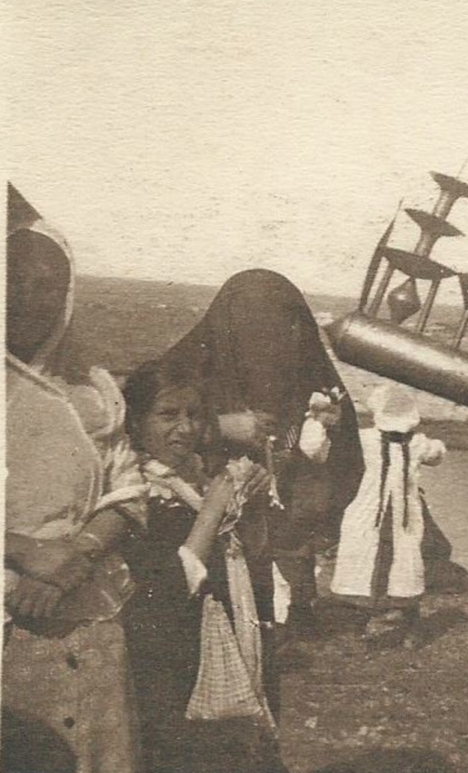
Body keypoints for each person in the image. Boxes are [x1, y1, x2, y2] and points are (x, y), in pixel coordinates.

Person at [4, 184, 149, 772]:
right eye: (11, 276)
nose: (24, 297)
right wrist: (26, 553)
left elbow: (129, 487)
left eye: (47, 283)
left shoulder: (92, 391)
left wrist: (76, 554)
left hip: (81, 611)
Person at [156, 269, 365, 643]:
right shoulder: (182, 369)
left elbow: (346, 458)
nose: (268, 340)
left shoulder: (306, 373)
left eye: (283, 326)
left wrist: (322, 433)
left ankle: (292, 610)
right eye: (254, 326)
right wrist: (219, 427)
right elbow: (138, 429)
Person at [120, 358, 285, 773]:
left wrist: (251, 508)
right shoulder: (135, 493)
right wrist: (214, 509)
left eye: (194, 415)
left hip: (225, 639)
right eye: (168, 415)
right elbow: (168, 589)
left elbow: (249, 557)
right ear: (136, 422)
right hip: (171, 661)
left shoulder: (201, 478)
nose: (185, 428)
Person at [330, 385, 447, 644]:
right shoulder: (415, 442)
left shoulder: (365, 439)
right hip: (385, 511)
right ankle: (396, 621)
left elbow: (339, 444)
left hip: (381, 511)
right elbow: (437, 453)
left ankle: (373, 621)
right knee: (392, 559)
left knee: (393, 559)